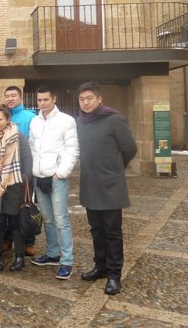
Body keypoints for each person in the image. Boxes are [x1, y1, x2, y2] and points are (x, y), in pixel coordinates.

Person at [76, 81, 137, 295]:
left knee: (112, 232)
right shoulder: (80, 122)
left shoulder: (114, 119)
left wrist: (115, 169)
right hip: (90, 183)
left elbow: (130, 148)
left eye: (89, 98)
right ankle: (100, 266)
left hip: (110, 185)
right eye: (82, 99)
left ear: (99, 99)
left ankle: (114, 274)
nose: (85, 103)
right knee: (96, 230)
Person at [28, 85, 79, 280]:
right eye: (39, 100)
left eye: (45, 100)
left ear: (54, 99)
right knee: (47, 218)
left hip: (56, 177)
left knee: (61, 219)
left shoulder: (67, 121)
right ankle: (52, 253)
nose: (42, 103)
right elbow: (33, 147)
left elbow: (72, 149)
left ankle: (66, 261)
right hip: (39, 176)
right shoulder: (35, 121)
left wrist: (61, 172)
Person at [0, 104, 33, 272]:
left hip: (15, 186)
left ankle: (19, 257)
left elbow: (27, 162)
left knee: (16, 223)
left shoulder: (19, 137)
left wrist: (23, 181)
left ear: (8, 120)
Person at [4, 85, 37, 256]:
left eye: (13, 96)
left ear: (21, 98)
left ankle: (29, 241)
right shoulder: (3, 116)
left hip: (24, 169)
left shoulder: (30, 117)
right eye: (7, 96)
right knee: (8, 207)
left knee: (25, 205)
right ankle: (8, 239)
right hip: (6, 171)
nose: (10, 99)